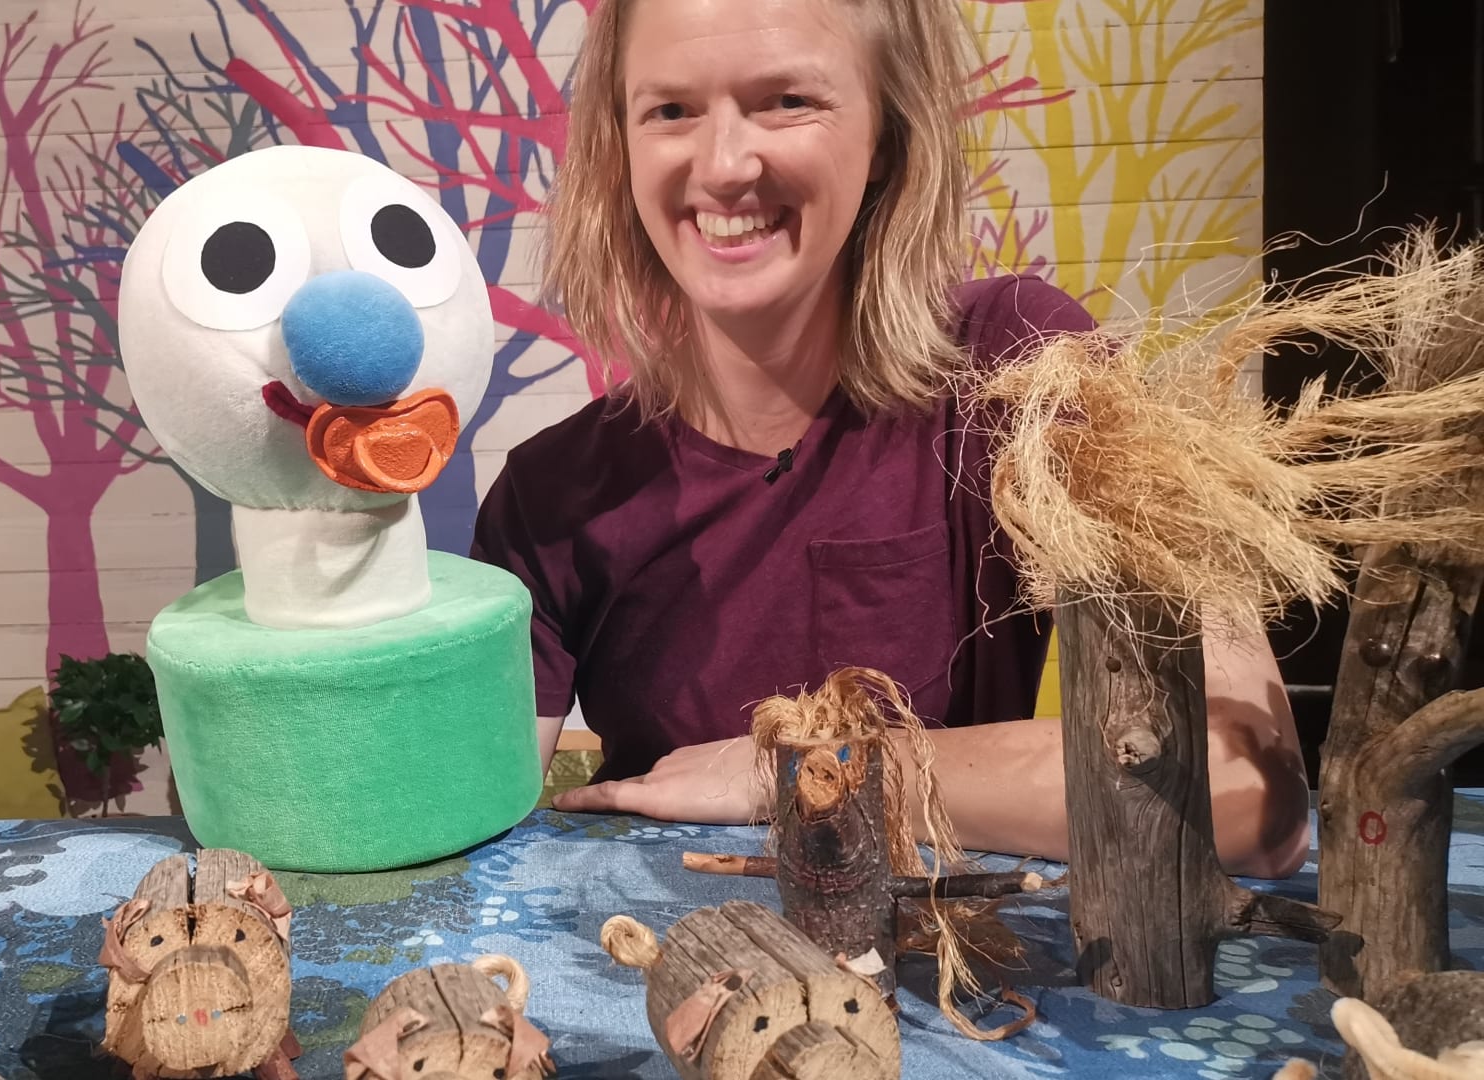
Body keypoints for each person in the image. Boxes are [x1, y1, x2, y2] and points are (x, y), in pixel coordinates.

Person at [468, 0, 1313, 878]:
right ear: (620, 147)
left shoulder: (1018, 370)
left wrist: (799, 771)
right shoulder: (550, 496)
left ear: (886, 135)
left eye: (786, 100)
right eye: (670, 110)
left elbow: (1247, 791)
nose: (722, 165)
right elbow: (455, 817)